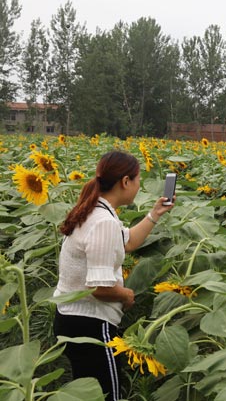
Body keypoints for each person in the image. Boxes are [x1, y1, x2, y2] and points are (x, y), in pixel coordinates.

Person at [53, 151, 175, 401]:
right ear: (125, 181)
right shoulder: (103, 222)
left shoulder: (95, 211)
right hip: (92, 325)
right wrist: (127, 294)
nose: (140, 185)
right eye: (138, 179)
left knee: (89, 394)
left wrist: (154, 214)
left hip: (71, 319)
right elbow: (98, 288)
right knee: (109, 395)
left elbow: (126, 242)